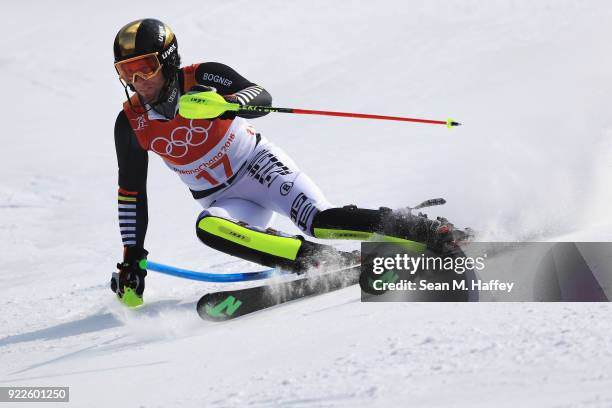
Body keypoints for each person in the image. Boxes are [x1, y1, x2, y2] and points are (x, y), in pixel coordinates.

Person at [111, 18, 460, 306]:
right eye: (128, 73)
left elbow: (260, 96)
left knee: (319, 220)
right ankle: (326, 261)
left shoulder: (202, 76)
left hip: (260, 167)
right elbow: (131, 195)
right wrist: (131, 260)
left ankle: (427, 231)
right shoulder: (129, 123)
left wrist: (226, 103)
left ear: (168, 60)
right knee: (209, 227)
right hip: (221, 198)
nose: (139, 82)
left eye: (145, 67)